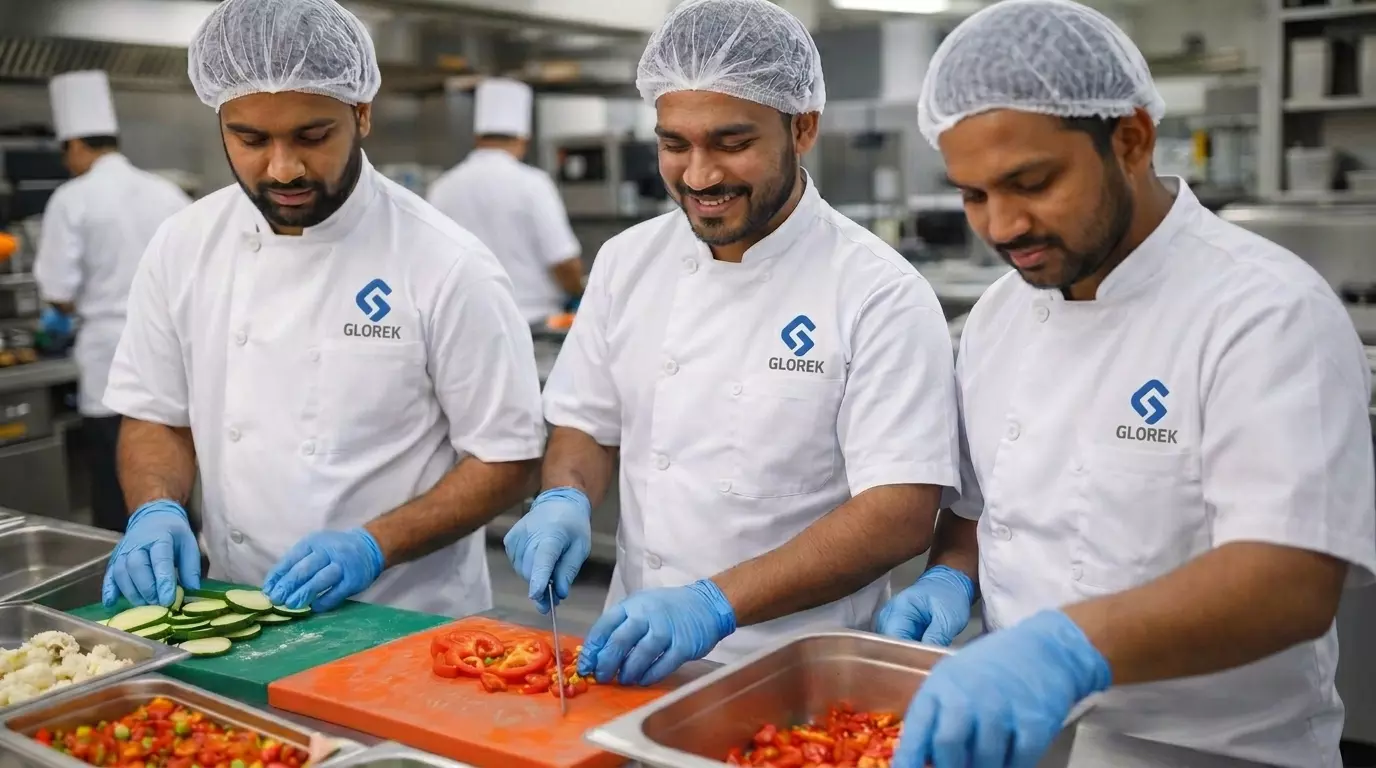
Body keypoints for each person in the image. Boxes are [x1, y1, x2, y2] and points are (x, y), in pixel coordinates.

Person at [876, 2, 1376, 767]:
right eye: (974, 195)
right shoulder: (1000, 317)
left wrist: (1063, 649)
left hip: (1213, 753)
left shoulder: (1266, 311)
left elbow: (1291, 580)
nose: (1002, 226)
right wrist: (949, 579)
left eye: (1031, 182)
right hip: (1027, 740)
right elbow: (981, 512)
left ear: (1132, 139)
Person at [504, 0, 960, 687]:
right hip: (634, 656)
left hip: (800, 674)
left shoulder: (877, 291)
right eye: (674, 143)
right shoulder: (629, 261)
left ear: (801, 128)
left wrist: (714, 603)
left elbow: (898, 515)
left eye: (731, 142)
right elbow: (586, 423)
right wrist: (563, 497)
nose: (698, 176)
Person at [98, 0, 546, 617]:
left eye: (312, 136)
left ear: (361, 114)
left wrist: (374, 544)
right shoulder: (183, 244)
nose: (283, 167)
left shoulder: (446, 262)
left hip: (403, 617)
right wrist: (156, 507)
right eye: (250, 138)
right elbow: (155, 414)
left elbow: (508, 458)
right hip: (237, 603)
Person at [32, 70, 191, 533]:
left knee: (116, 490)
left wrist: (60, 318)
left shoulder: (71, 199)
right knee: (175, 482)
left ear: (75, 145)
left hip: (108, 363)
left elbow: (58, 290)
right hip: (171, 357)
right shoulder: (167, 193)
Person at [427, 78, 584, 325]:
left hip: (465, 325)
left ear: (477, 136)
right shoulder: (533, 184)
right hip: (531, 325)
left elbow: (431, 263)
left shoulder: (442, 187)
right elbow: (563, 262)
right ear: (523, 139)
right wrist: (579, 294)